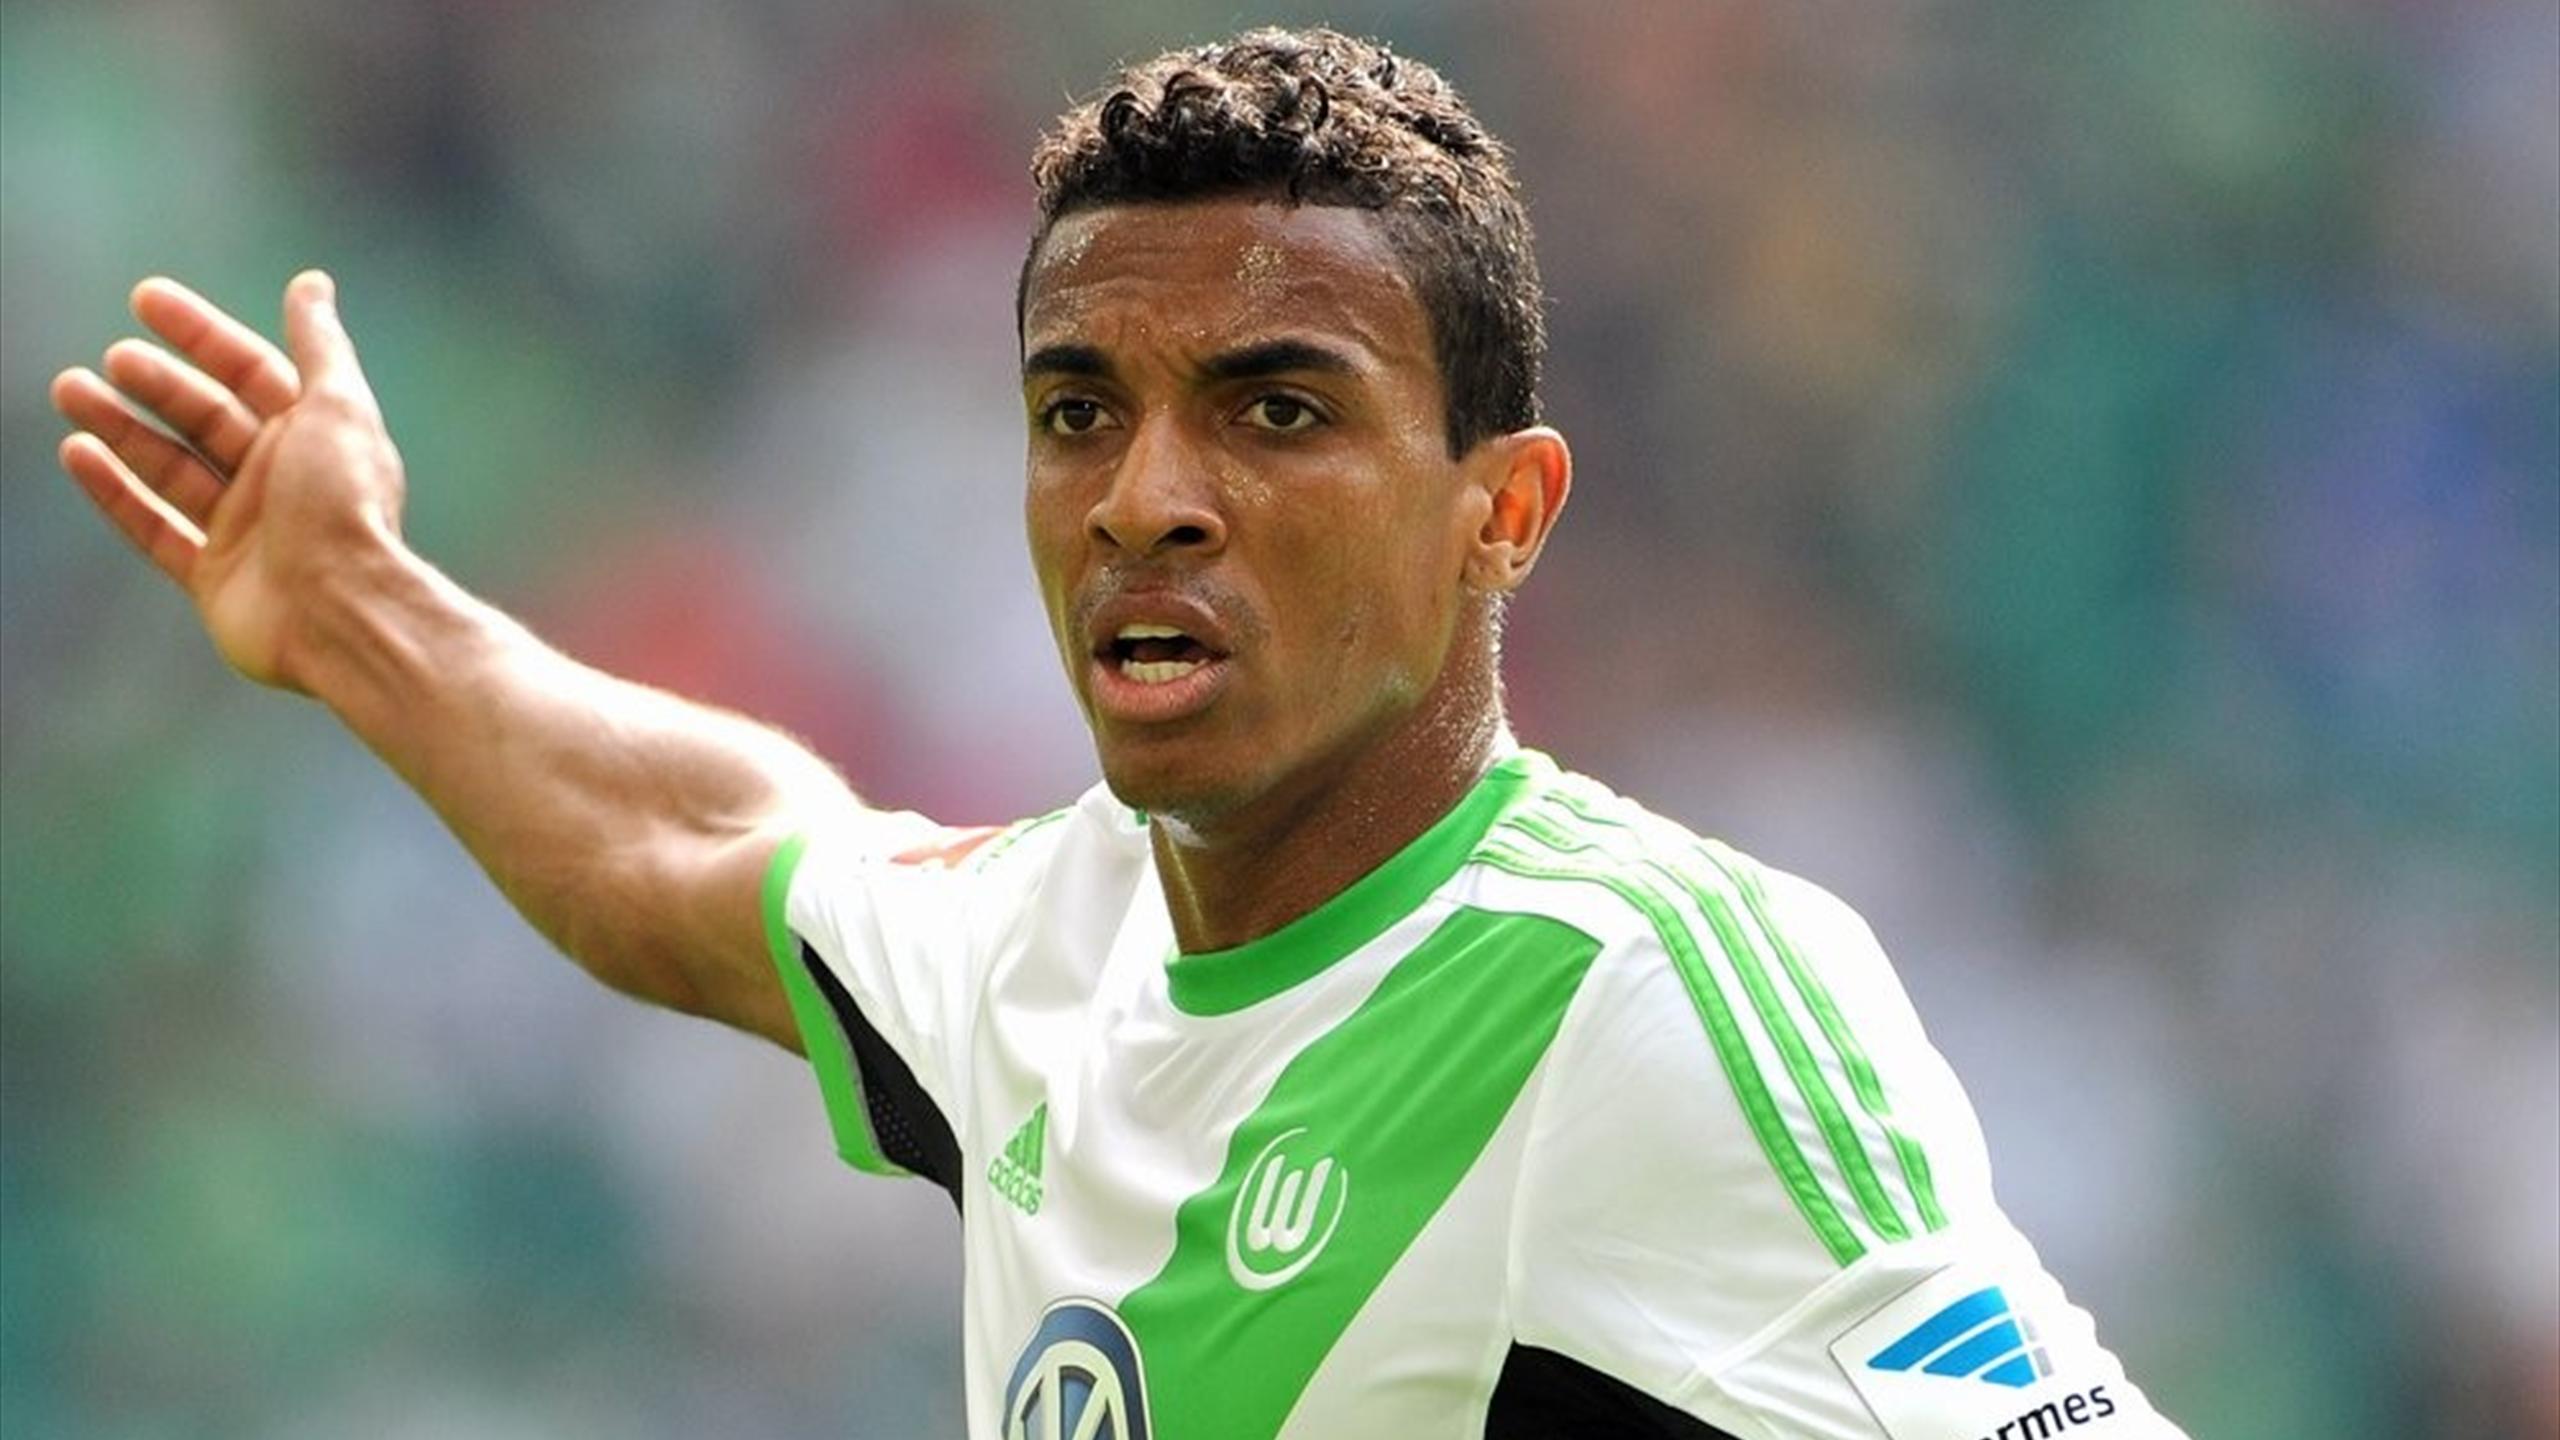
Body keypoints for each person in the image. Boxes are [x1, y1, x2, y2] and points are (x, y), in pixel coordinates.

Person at [47, 25, 2190, 1440]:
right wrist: (355, 608)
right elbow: (690, 847)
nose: (1145, 496)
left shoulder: (1635, 990)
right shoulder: (1048, 936)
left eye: (1278, 409)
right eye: (1080, 410)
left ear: (1502, 512)